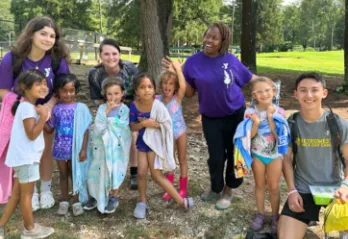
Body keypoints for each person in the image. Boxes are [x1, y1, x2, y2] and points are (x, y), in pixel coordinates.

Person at [183, 22, 256, 210]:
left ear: (223, 41)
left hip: (235, 114)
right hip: (210, 117)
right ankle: (215, 187)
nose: (209, 40)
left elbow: (250, 79)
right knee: (216, 156)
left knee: (234, 153)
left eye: (214, 38)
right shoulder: (192, 62)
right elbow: (190, 93)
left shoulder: (230, 60)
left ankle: (229, 190)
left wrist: (268, 86)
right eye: (207, 36)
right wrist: (177, 74)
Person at [0, 16, 70, 209]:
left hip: (47, 111)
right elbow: (3, 90)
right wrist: (27, 108)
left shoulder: (57, 60)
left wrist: (47, 108)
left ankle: (45, 189)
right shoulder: (13, 58)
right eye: (43, 34)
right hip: (20, 113)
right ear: (31, 34)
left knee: (44, 150)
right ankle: (28, 191)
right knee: (25, 154)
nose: (48, 39)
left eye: (52, 35)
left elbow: (62, 89)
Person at [278, 73, 348, 239]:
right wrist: (292, 190)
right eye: (303, 90)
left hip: (337, 189)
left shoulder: (338, 124)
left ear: (324, 93)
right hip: (303, 190)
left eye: (314, 90)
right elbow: (286, 160)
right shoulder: (290, 124)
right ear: (296, 94)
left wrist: (345, 185)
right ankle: (309, 218)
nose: (309, 96)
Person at [130, 73, 194, 219]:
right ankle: (142, 202)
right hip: (141, 144)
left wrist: (158, 126)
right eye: (142, 87)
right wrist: (142, 124)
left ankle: (180, 200)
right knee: (140, 173)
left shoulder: (158, 105)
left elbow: (167, 122)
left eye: (149, 87)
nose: (146, 90)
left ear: (154, 90)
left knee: (156, 175)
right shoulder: (134, 106)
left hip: (154, 145)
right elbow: (132, 127)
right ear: (136, 91)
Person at [0, 69, 54, 239]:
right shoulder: (27, 108)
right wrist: (44, 116)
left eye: (45, 83)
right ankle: (29, 230)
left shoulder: (27, 106)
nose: (43, 87)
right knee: (27, 195)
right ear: (24, 87)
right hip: (27, 159)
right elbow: (32, 134)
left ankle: (0, 226)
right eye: (38, 84)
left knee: (17, 195)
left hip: (24, 158)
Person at [88, 39, 139, 190]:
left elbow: (139, 92)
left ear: (119, 55)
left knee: (133, 134)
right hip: (108, 109)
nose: (111, 57)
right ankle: (106, 167)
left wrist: (130, 115)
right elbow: (97, 99)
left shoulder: (130, 69)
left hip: (131, 106)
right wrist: (109, 115)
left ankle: (134, 171)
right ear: (100, 56)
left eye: (114, 54)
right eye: (106, 54)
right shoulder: (95, 74)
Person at [45, 74, 92, 216]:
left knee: (75, 174)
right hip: (60, 148)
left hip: (75, 148)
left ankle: (76, 201)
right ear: (58, 91)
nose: (68, 94)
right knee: (63, 175)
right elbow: (50, 128)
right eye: (64, 91)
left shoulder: (81, 108)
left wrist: (83, 149)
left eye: (71, 90)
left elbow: (86, 130)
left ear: (76, 91)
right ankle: (64, 201)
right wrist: (40, 120)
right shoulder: (55, 109)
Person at [245, 77, 287, 234]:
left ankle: (275, 215)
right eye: (260, 92)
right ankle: (261, 213)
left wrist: (270, 117)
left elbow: (279, 136)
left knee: (274, 186)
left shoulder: (280, 111)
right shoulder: (249, 112)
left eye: (267, 90)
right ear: (254, 95)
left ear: (273, 91)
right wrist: (255, 123)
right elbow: (248, 136)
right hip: (257, 154)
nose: (264, 94)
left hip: (275, 155)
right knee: (260, 185)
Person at [86, 78, 132, 214]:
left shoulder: (125, 110)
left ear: (123, 93)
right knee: (97, 170)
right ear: (105, 94)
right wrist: (107, 113)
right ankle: (96, 195)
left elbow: (123, 129)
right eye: (110, 94)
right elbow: (98, 129)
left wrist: (110, 122)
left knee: (115, 171)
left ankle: (113, 196)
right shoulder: (102, 108)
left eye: (116, 93)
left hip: (117, 149)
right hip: (102, 148)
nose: (113, 97)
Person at [158, 57, 188, 200]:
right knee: (169, 160)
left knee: (182, 159)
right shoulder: (157, 100)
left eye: (170, 84)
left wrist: (177, 70)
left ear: (174, 86)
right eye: (164, 83)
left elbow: (183, 86)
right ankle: (169, 188)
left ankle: (183, 188)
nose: (167, 86)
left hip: (180, 132)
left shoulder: (178, 98)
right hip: (167, 135)